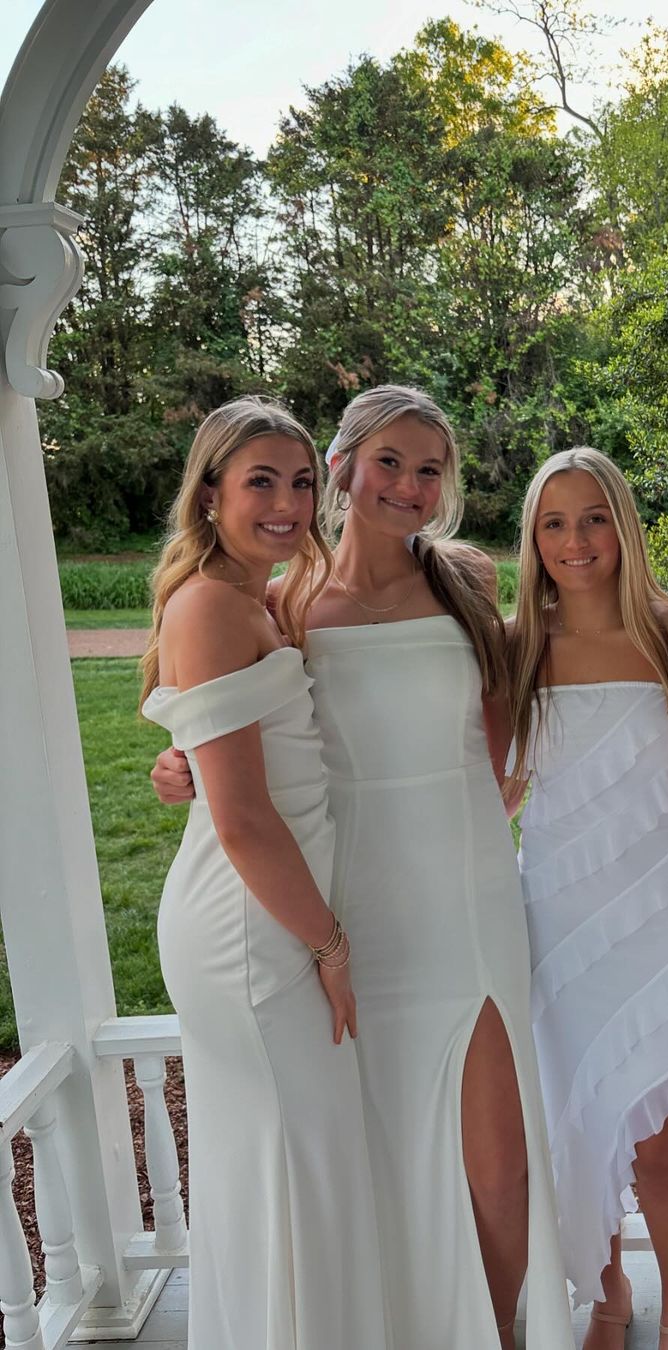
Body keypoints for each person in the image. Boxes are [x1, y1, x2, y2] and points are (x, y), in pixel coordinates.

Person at [152, 385, 573, 1350]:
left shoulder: (467, 579)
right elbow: (240, 738)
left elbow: (503, 736)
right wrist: (180, 769)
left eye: (430, 469)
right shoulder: (283, 601)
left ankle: (498, 1334)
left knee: (498, 1165)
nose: (409, 486)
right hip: (347, 908)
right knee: (374, 1161)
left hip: (464, 898)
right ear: (342, 467)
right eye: (389, 461)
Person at [140, 396, 390, 1350]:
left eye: (301, 482)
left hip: (271, 909)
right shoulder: (210, 603)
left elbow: (231, 760)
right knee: (296, 1158)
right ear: (209, 494)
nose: (287, 503)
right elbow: (244, 819)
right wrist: (329, 945)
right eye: (260, 483)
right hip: (253, 925)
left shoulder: (258, 598)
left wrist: (184, 767)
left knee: (288, 1160)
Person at [502, 448, 668, 1349]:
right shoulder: (515, 644)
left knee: (661, 1132)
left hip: (658, 907)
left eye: (594, 518)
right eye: (554, 523)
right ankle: (608, 1291)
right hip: (557, 911)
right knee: (578, 1118)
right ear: (533, 538)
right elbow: (484, 783)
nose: (576, 540)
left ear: (623, 526)